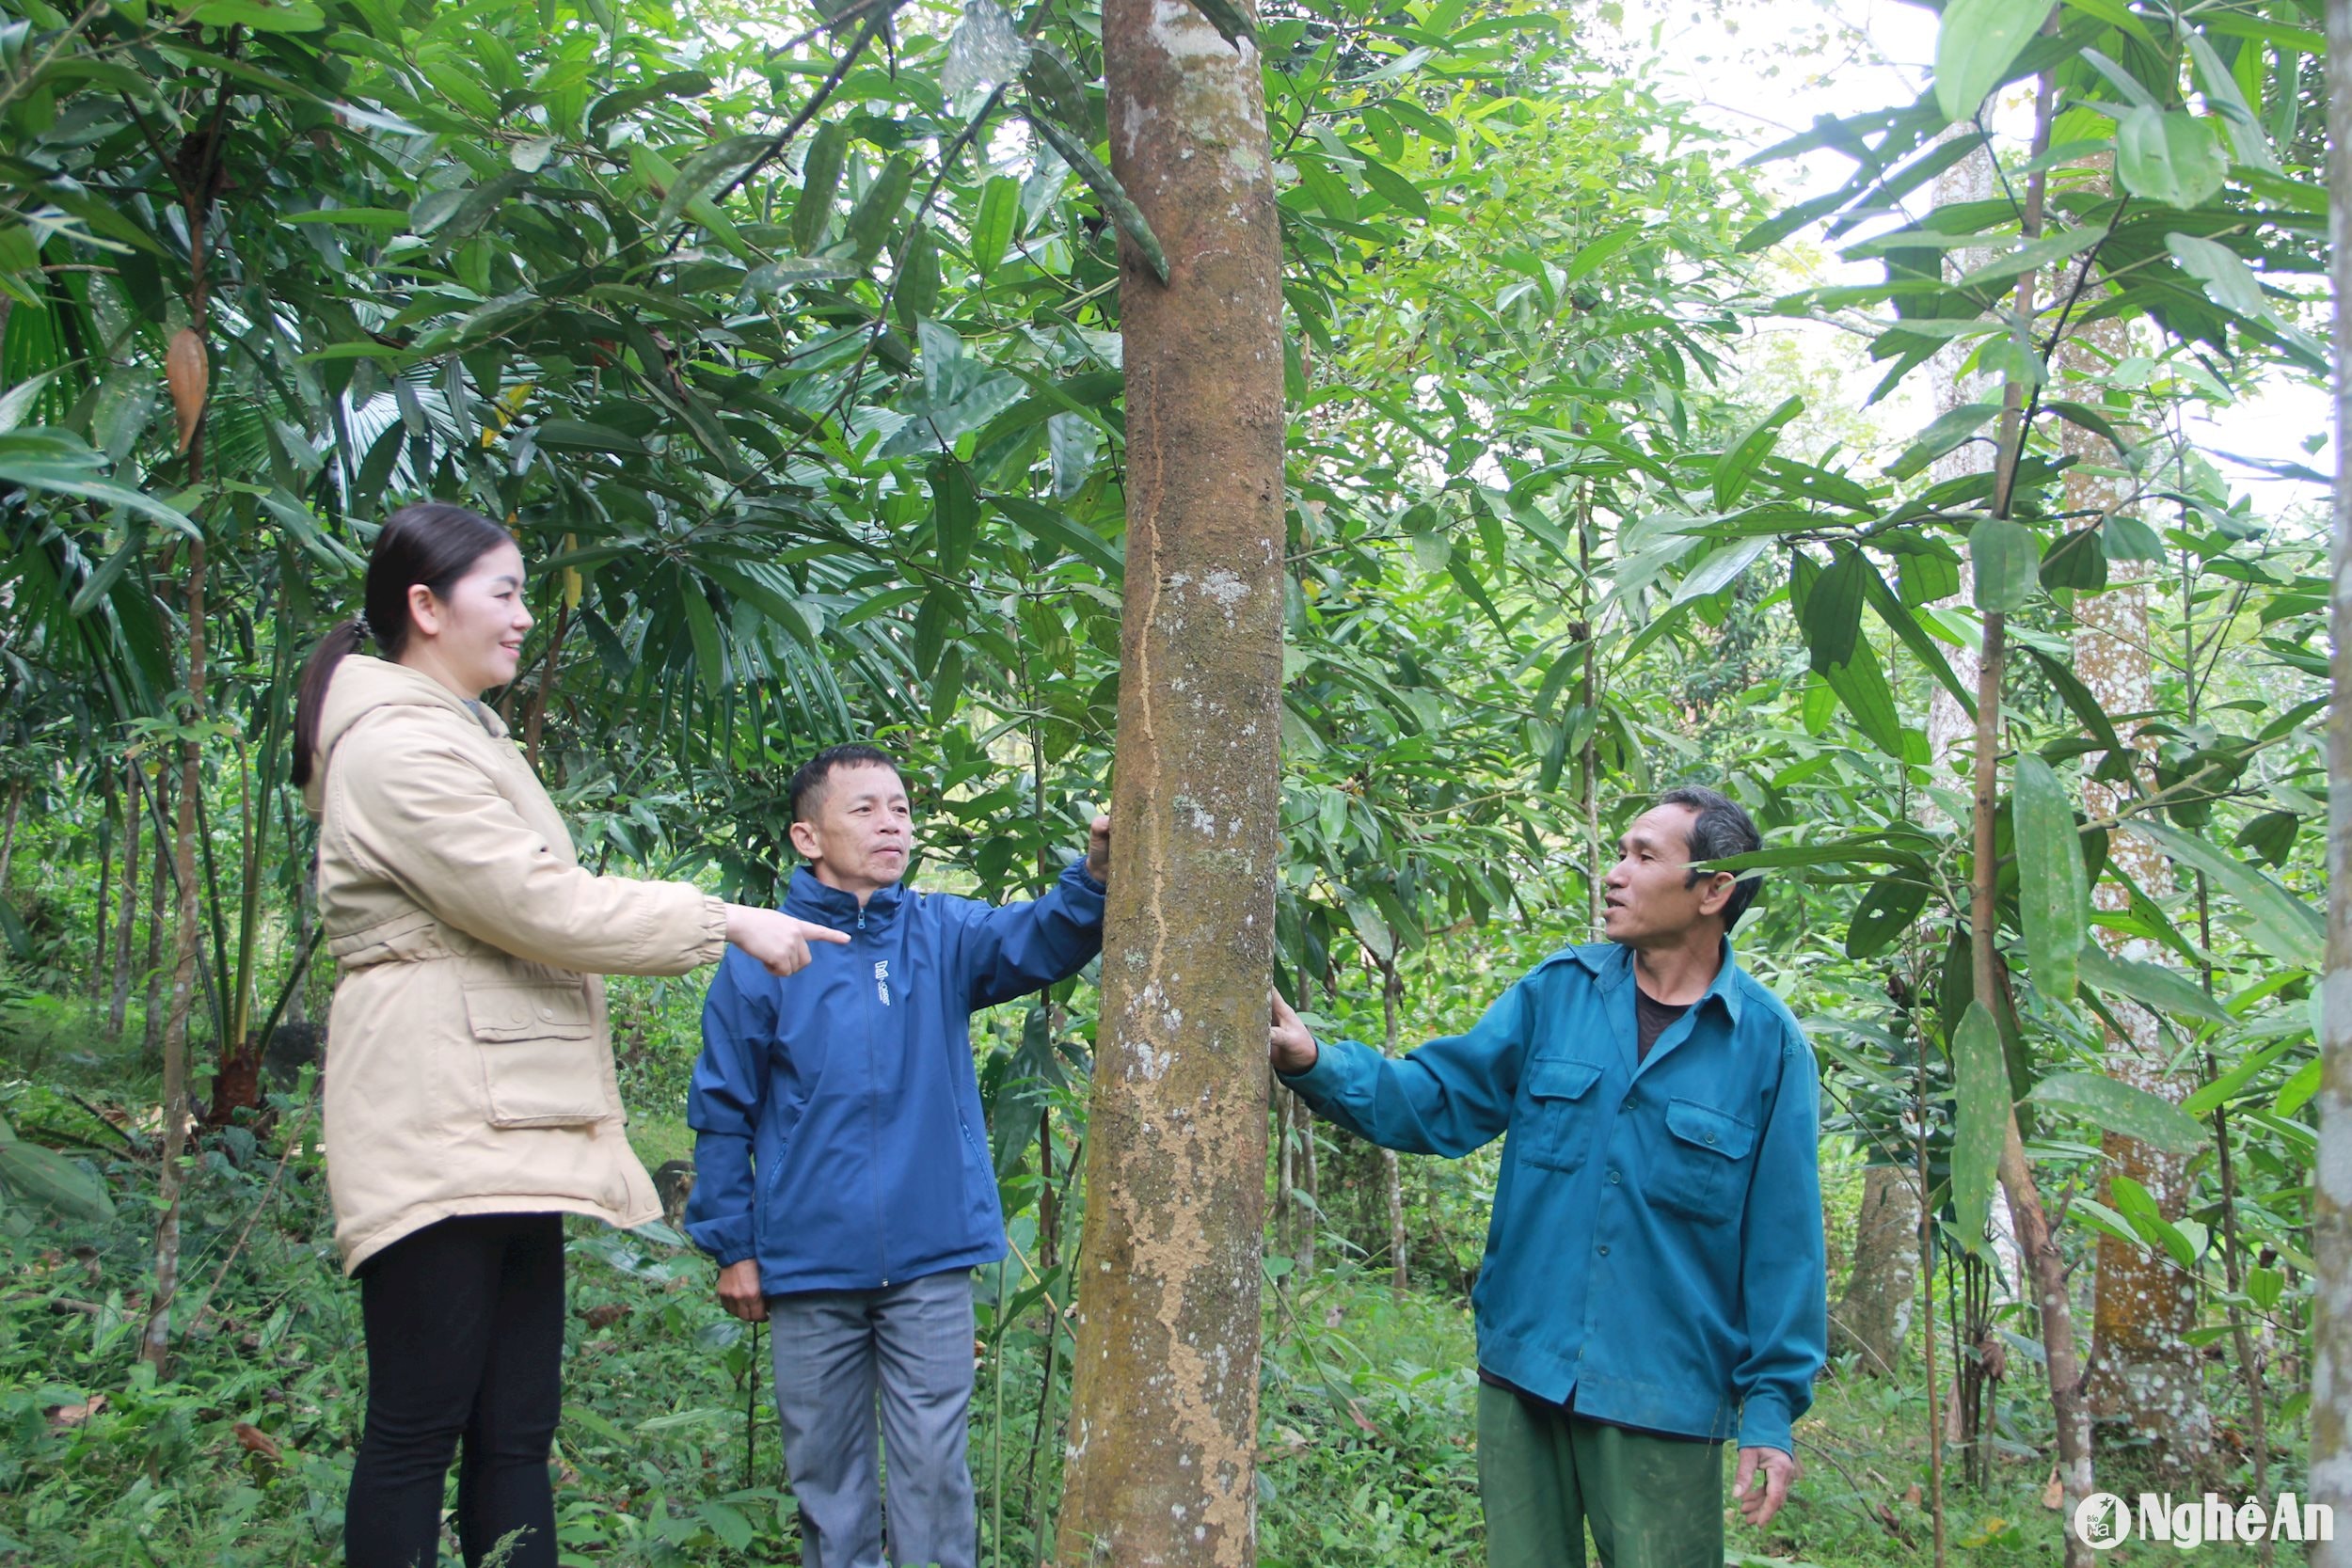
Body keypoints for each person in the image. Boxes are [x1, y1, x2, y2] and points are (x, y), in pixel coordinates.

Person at [294, 502, 847, 1568]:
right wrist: (722, 917)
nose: (519, 617)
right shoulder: (396, 745)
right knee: (417, 1426)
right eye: (500, 592)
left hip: (508, 1121)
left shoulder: (459, 729)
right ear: (424, 605)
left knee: (516, 1431)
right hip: (437, 1118)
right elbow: (534, 900)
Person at [1267, 786, 1825, 1568]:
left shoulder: (1767, 1046)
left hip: (1661, 1393)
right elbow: (1441, 1099)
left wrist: (1770, 1410)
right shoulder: (1557, 993)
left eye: (1643, 856)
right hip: (1525, 1368)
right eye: (1620, 851)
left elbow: (1785, 1247)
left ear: (1713, 890)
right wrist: (1319, 1062)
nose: (1615, 873)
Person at [684, 744, 1109, 1568]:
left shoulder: (940, 932)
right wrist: (733, 1246)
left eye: (902, 808)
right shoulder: (762, 953)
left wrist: (1089, 876)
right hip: (807, 1262)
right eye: (866, 808)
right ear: (809, 837)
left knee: (933, 1476)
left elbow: (1040, 938)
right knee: (828, 1481)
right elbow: (722, 1109)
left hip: (931, 1253)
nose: (891, 823)